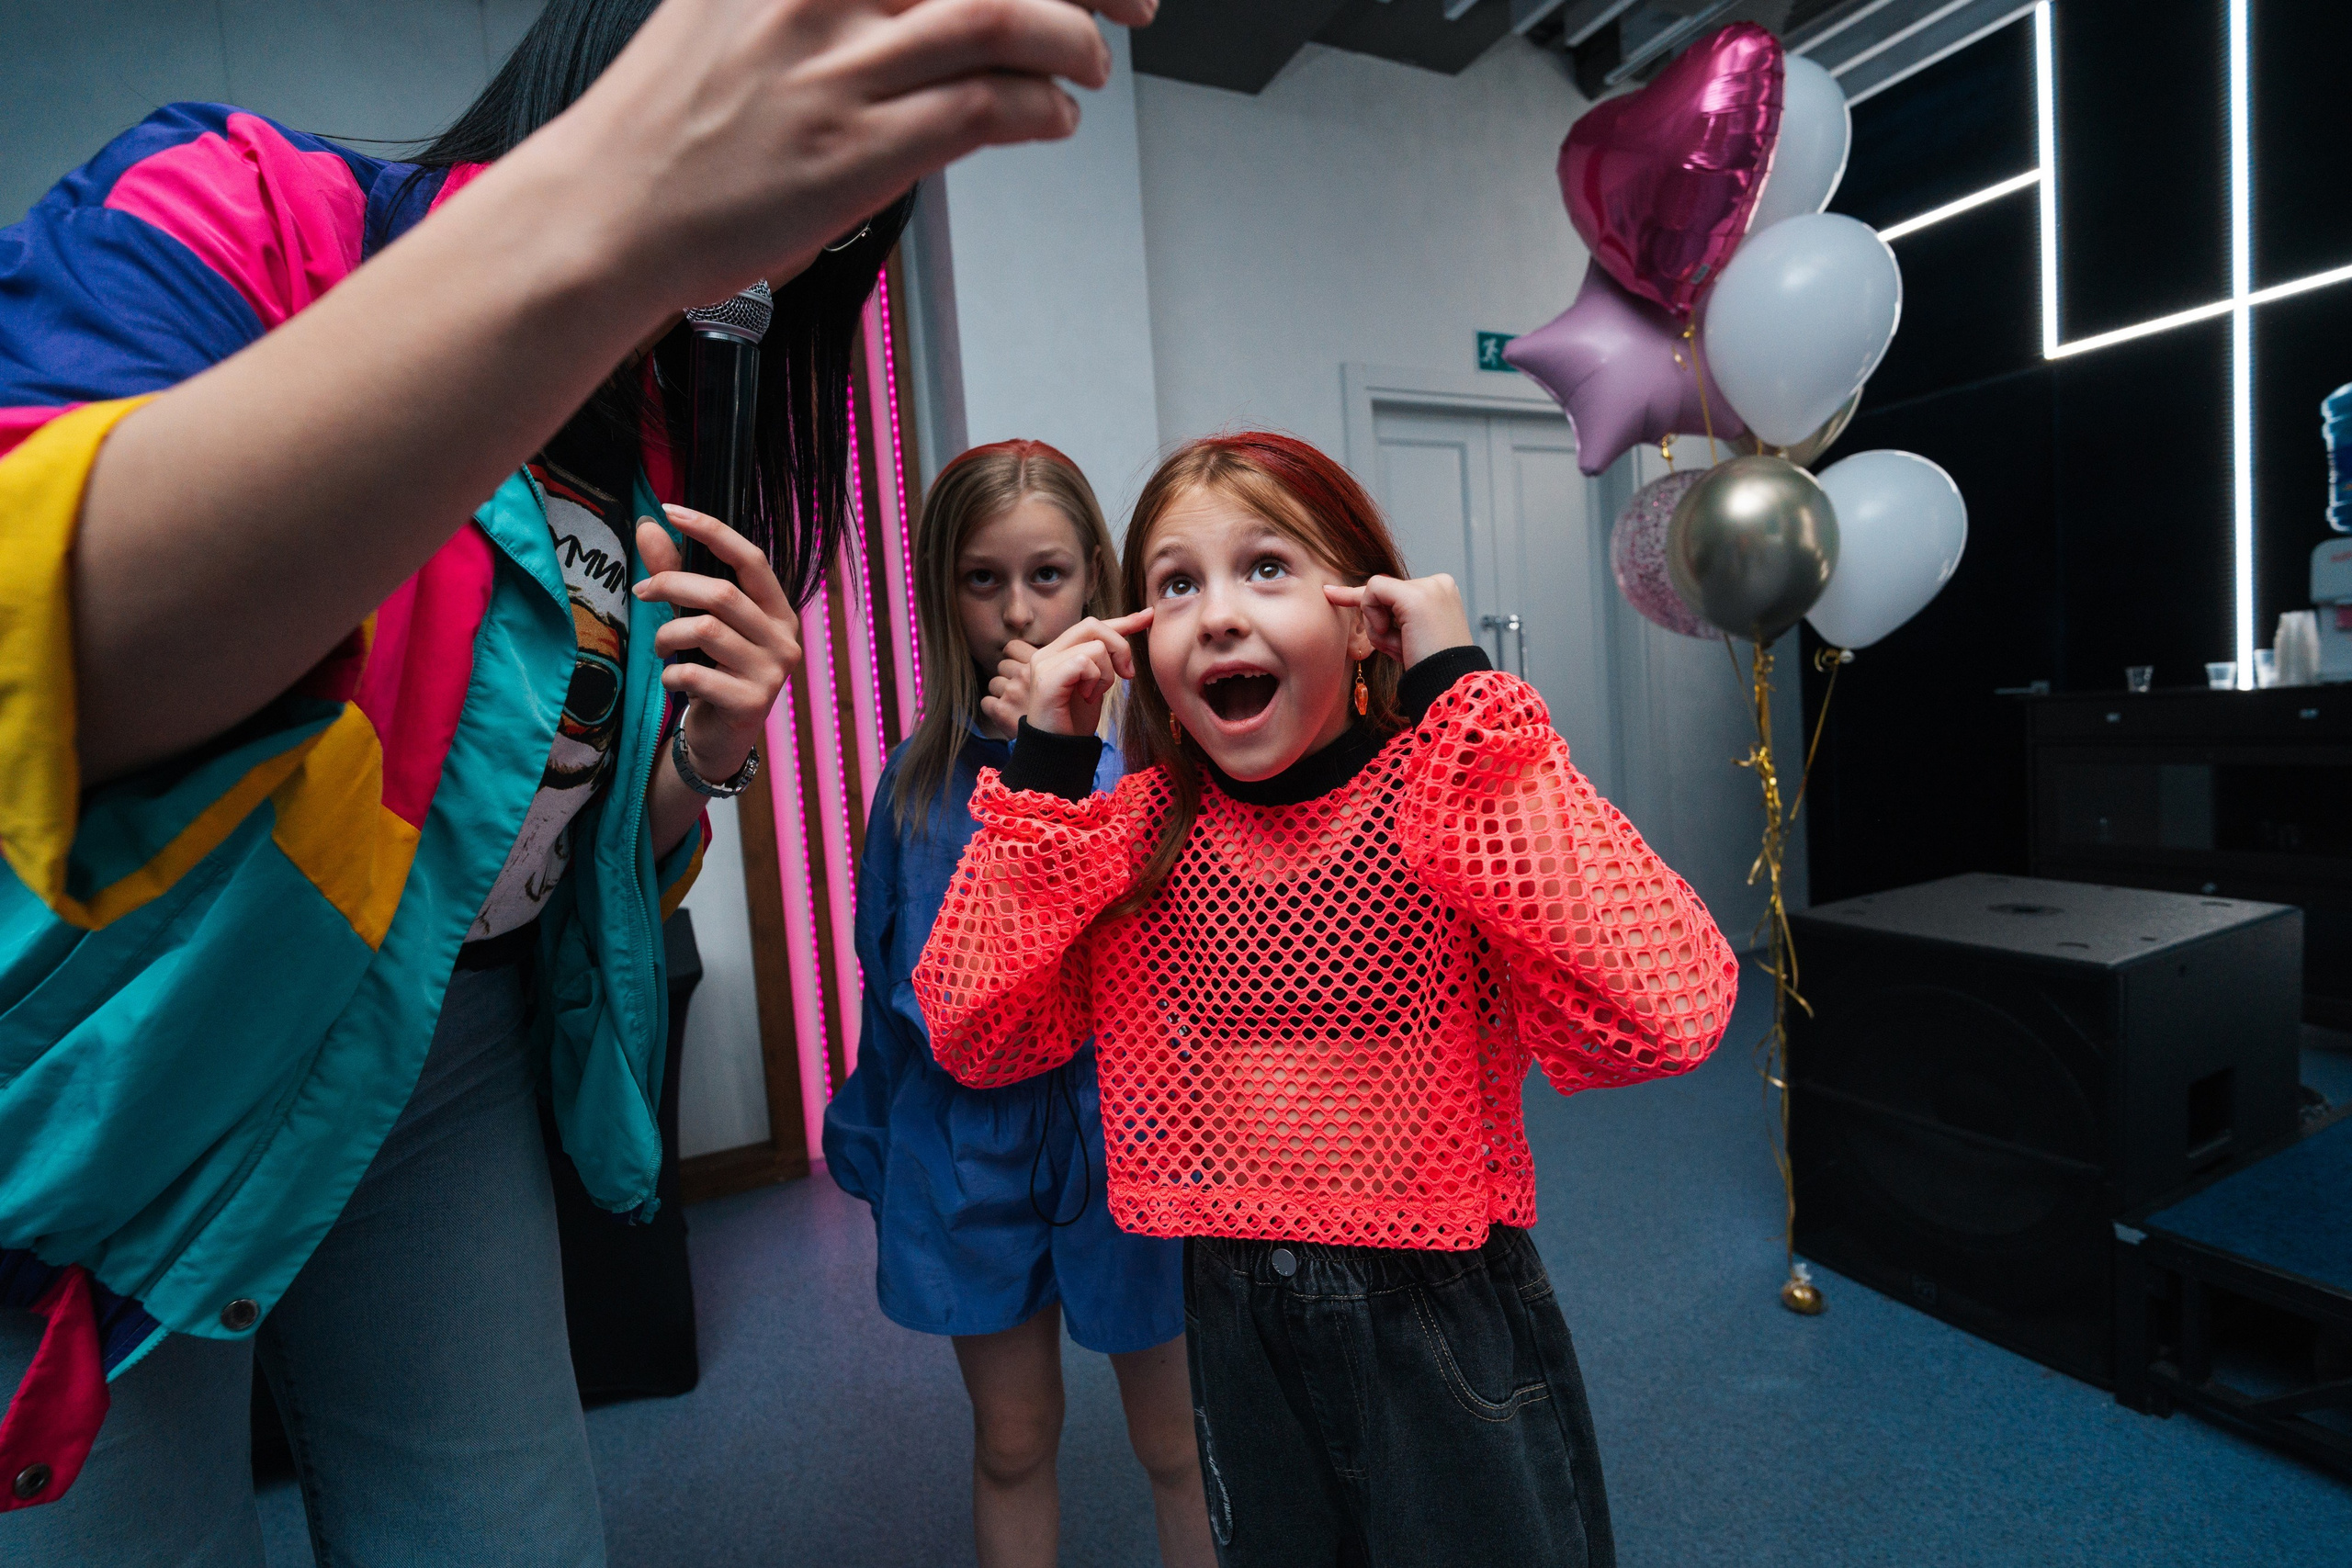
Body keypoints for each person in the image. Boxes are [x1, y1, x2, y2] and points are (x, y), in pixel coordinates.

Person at [0, 0, 1156, 1559]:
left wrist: (704, 760)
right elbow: (66, 674)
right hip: (141, 1036)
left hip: (452, 1047)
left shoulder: (654, 474)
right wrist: (616, 208)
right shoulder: (245, 209)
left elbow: (550, 843)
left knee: (510, 1529)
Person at [915, 432, 1742, 1567]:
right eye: (1174, 584)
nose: (1215, 612)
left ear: (1363, 617)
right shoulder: (1138, 839)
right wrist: (1051, 766)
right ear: (1137, 643)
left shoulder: (1444, 802)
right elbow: (976, 1031)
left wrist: (1458, 692)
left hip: (1440, 1312)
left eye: (1265, 567)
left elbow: (1666, 1006)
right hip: (1232, 1316)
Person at [823, 440, 1210, 1568]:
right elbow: (901, 992)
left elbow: (1177, 956)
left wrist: (1062, 753)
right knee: (1011, 1437)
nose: (1018, 615)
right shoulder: (914, 783)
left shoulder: (1152, 759)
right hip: (967, 1148)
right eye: (983, 580)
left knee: (1177, 1441)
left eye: (1047, 577)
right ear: (944, 587)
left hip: (1126, 1134)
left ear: (1095, 574)